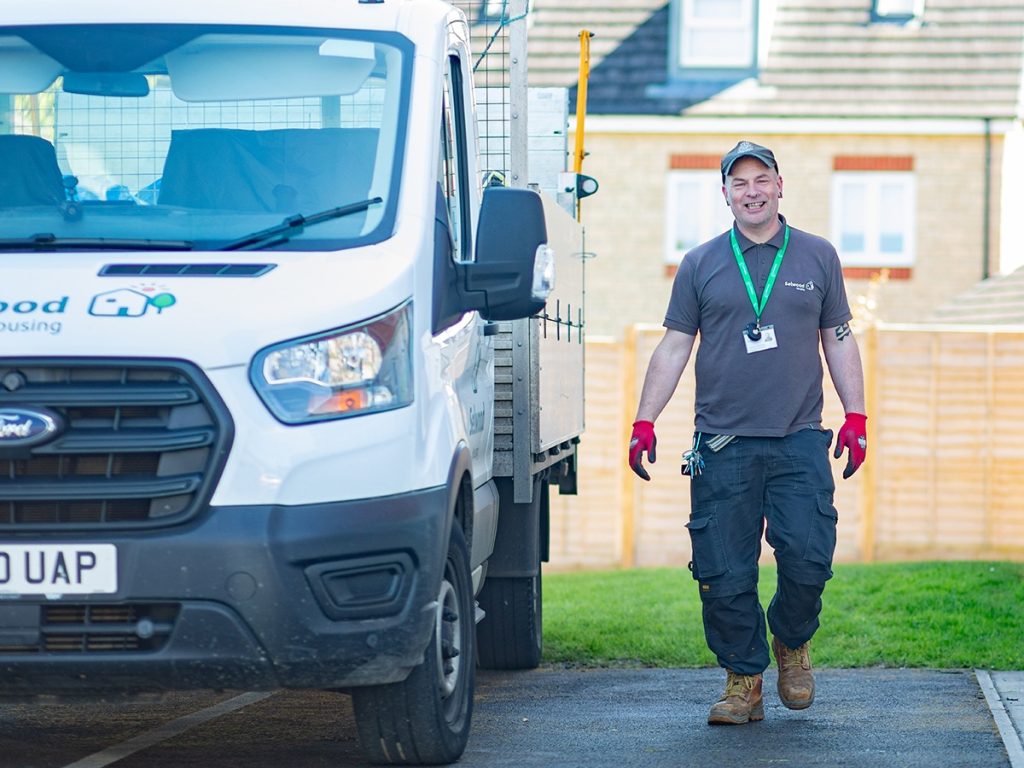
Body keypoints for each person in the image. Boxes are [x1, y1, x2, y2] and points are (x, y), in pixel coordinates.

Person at [628, 140, 867, 726]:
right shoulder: (702, 263)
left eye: (762, 179)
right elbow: (675, 344)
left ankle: (791, 642)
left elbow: (837, 337)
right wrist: (643, 420)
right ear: (727, 194)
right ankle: (743, 683)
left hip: (799, 440)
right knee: (723, 571)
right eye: (740, 183)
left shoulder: (817, 257)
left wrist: (856, 416)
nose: (752, 191)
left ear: (780, 185)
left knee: (809, 561)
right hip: (723, 445)